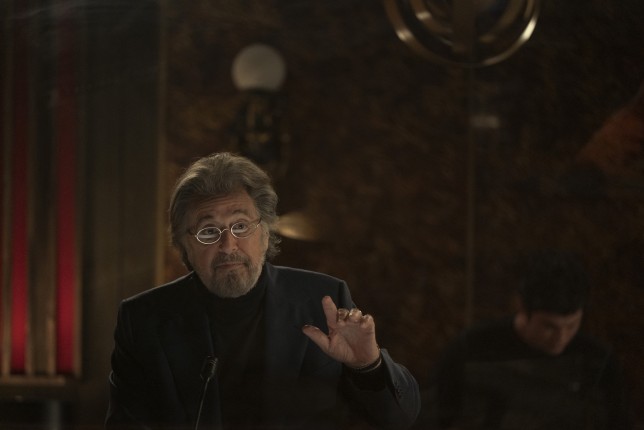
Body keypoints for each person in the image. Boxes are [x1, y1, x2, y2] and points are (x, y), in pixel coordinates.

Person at [105, 152, 420, 430]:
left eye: (241, 226)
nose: (228, 245)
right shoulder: (143, 319)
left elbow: (399, 418)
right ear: (185, 246)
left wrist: (368, 365)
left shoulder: (323, 300)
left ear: (266, 234)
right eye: (208, 231)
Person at [420, 250, 631, 430]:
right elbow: (435, 419)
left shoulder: (597, 360)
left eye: (572, 325)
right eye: (549, 327)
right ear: (522, 309)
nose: (562, 337)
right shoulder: (472, 348)